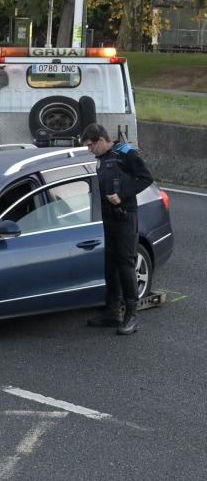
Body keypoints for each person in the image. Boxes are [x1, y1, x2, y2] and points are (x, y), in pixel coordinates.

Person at [81, 123, 154, 335]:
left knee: (125, 264)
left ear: (102, 140)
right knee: (110, 266)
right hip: (107, 218)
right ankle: (112, 312)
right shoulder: (102, 158)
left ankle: (131, 315)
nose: (89, 150)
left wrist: (122, 194)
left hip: (124, 217)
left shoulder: (126, 153)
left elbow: (146, 178)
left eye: (91, 145)